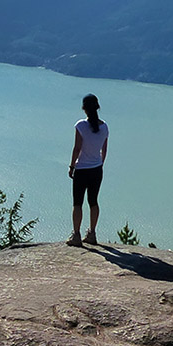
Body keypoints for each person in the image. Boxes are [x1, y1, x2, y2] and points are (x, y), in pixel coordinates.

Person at [68, 93, 108, 246]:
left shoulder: (81, 126)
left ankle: (76, 236)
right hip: (97, 169)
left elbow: (77, 148)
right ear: (97, 107)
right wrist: (99, 164)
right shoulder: (104, 127)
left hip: (82, 169)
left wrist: (72, 166)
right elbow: (104, 150)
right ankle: (92, 233)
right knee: (93, 201)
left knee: (77, 202)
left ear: (84, 108)